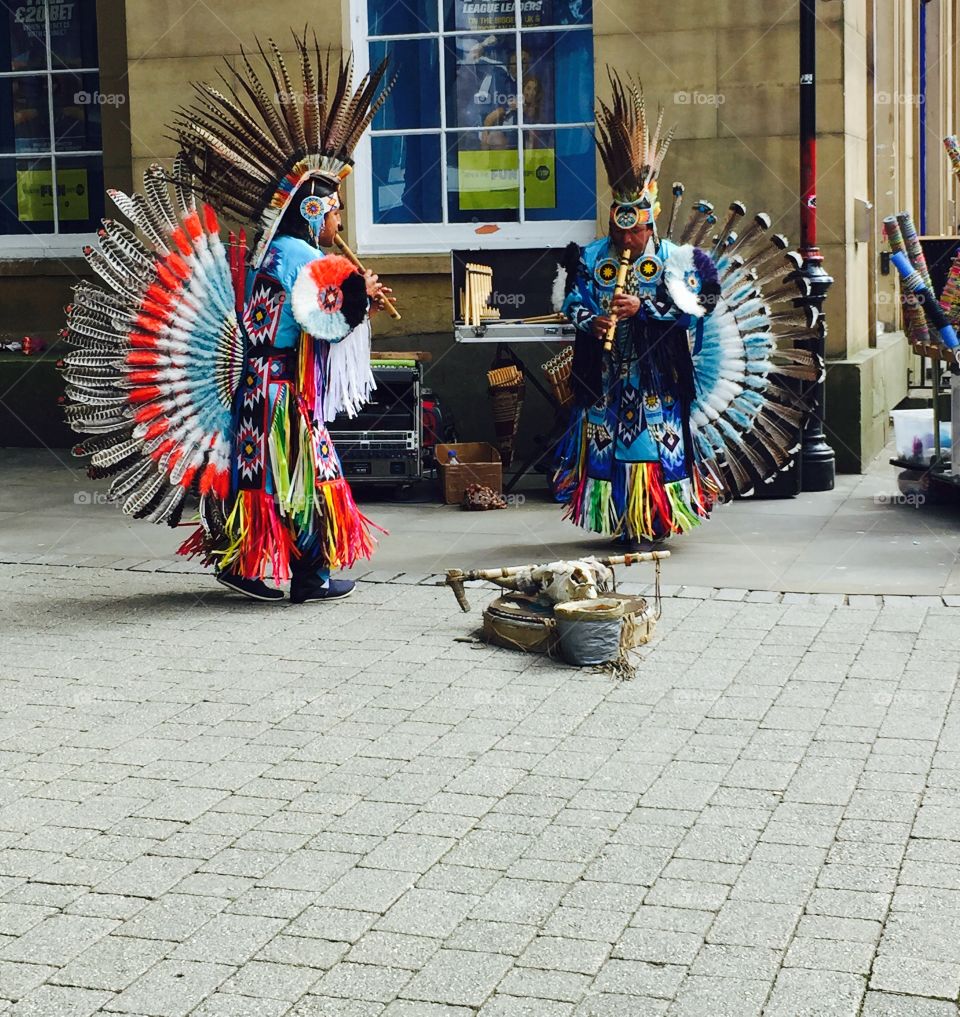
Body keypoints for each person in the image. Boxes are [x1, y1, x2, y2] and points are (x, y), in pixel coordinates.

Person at [60, 37, 394, 604]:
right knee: (308, 475)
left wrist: (355, 297)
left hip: (255, 384)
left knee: (256, 474)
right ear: (313, 209)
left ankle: (243, 564)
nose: (340, 220)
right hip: (282, 391)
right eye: (336, 208)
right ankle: (310, 578)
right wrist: (362, 300)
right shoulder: (305, 256)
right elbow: (325, 324)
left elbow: (308, 314)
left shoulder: (274, 251)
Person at [554, 71, 821, 550]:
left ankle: (654, 517)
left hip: (658, 374)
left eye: (635, 231)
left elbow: (696, 308)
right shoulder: (590, 257)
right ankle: (623, 518)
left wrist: (643, 307)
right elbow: (571, 301)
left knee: (652, 443)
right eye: (620, 230)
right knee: (607, 445)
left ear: (650, 221)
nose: (626, 239)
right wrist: (592, 320)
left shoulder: (678, 259)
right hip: (605, 374)